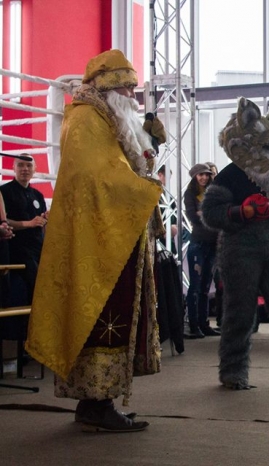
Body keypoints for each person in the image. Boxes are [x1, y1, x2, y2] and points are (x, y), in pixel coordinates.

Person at [26, 49, 162, 432]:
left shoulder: (108, 117)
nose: (134, 98)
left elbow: (124, 164)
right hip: (98, 241)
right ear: (109, 87)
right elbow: (95, 177)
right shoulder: (86, 118)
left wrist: (146, 157)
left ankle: (98, 403)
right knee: (102, 315)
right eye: (129, 89)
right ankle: (96, 401)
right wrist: (143, 188)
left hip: (114, 235)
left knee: (110, 315)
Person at [0, 154, 48, 302]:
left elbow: (42, 224)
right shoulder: (4, 191)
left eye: (29, 166)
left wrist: (46, 220)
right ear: (13, 168)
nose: (25, 169)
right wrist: (28, 223)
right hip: (17, 248)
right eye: (20, 165)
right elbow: (3, 221)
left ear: (35, 169)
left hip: (38, 248)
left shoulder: (38, 195)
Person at [184, 163, 220, 338]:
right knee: (196, 286)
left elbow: (219, 213)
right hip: (198, 243)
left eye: (206, 174)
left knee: (206, 286)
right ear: (194, 177)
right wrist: (209, 214)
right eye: (200, 175)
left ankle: (204, 323)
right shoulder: (190, 194)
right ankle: (193, 324)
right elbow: (192, 216)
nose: (204, 177)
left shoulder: (214, 192)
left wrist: (203, 213)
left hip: (213, 244)